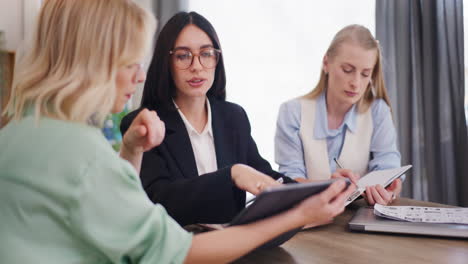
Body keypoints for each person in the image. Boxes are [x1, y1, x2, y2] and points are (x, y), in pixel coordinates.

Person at [0, 1, 355, 263]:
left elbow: (112, 204)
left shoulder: (16, 132)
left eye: (206, 54)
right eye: (129, 64)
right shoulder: (84, 154)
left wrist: (316, 188)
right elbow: (174, 248)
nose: (139, 76)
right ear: (94, 63)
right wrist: (297, 216)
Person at [275, 25, 402, 206]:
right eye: (347, 70)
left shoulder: (378, 112)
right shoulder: (293, 112)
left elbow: (388, 168)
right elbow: (290, 182)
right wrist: (333, 186)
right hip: (308, 218)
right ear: (326, 63)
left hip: (359, 217)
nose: (356, 83)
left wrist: (389, 190)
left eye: (365, 74)